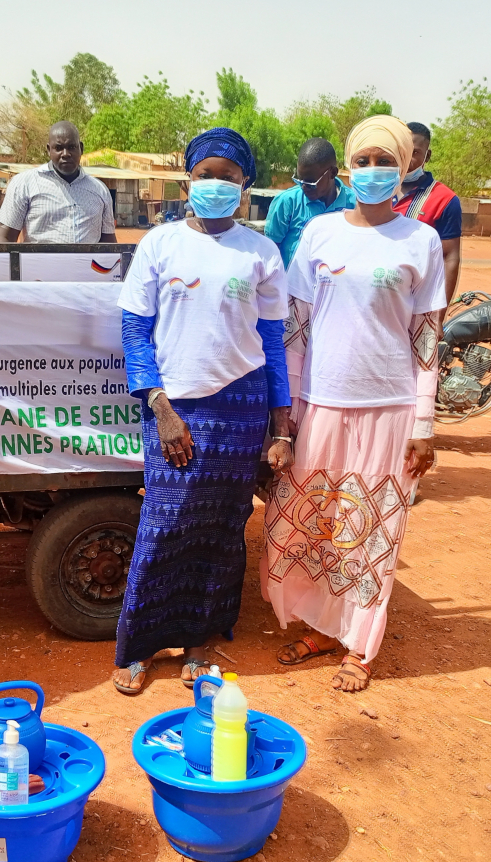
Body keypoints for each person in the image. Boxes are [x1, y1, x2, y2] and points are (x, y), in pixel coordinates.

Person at [261, 115, 446, 693]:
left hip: (388, 409)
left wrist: (423, 423)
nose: (372, 171)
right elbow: (295, 330)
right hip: (319, 404)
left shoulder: (421, 241)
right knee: (313, 526)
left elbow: (426, 339)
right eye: (362, 161)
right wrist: (285, 415)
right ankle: (321, 626)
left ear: (406, 167)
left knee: (369, 532)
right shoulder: (319, 235)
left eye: (384, 161)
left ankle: (360, 647)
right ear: (347, 167)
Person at [111, 127, 294, 695]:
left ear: (245, 185)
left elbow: (272, 342)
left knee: (222, 529)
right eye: (205, 173)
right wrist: (160, 406)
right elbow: (134, 331)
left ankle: (198, 642)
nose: (215, 184)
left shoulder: (261, 252)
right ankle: (140, 645)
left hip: (241, 405)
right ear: (189, 179)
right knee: (163, 526)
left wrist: (280, 423)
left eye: (228, 176)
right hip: (174, 405)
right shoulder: (159, 245)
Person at [0, 121, 117, 244]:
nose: (65, 154)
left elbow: (109, 244)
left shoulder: (99, 190)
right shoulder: (24, 184)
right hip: (39, 263)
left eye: (71, 147)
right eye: (58, 148)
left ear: (81, 148)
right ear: (49, 150)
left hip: (85, 264)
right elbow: (5, 238)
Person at [394, 122, 462, 302]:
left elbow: (450, 258)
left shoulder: (445, 200)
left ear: (427, 156)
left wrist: (439, 315)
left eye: (415, 152)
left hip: (418, 300)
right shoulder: (379, 190)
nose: (407, 159)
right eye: (403, 151)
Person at [265, 137, 356, 266]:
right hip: (291, 285)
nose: (303, 187)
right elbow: (270, 253)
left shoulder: (354, 204)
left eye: (310, 183)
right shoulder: (286, 203)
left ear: (333, 173)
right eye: (300, 180)